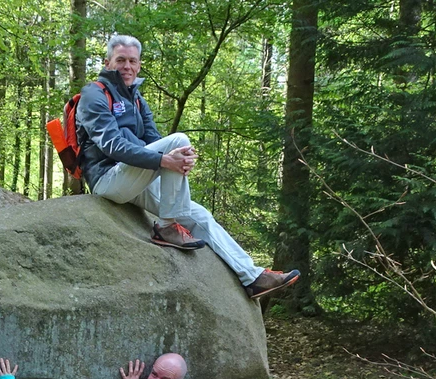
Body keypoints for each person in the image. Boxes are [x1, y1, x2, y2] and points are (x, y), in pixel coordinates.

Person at [76, 34, 300, 300]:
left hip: (134, 180)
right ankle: (167, 227)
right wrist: (164, 159)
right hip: (108, 179)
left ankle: (252, 278)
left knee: (200, 215)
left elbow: (154, 142)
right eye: (121, 60)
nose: (127, 66)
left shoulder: (137, 100)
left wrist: (180, 159)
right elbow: (111, 145)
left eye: (132, 61)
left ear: (139, 65)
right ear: (107, 62)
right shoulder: (94, 94)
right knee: (179, 140)